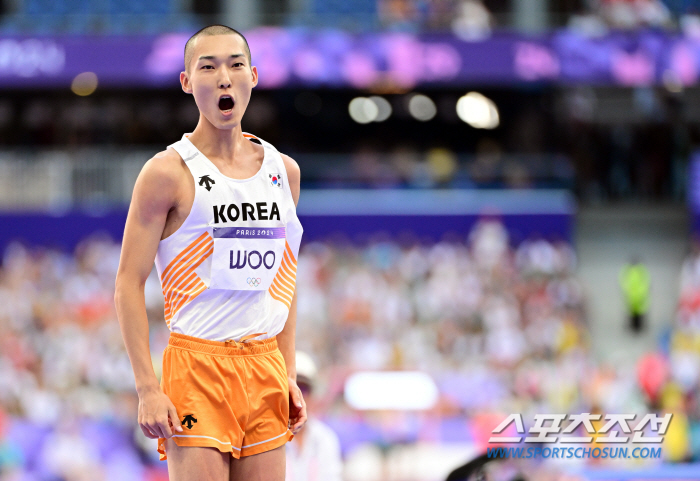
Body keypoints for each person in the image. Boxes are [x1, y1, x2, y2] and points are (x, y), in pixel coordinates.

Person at [114, 25, 306, 481]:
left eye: (236, 65)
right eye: (209, 66)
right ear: (186, 82)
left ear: (254, 76)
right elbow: (126, 283)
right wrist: (146, 387)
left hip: (264, 366)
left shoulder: (285, 172)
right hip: (196, 368)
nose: (224, 77)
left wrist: (289, 370)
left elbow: (284, 278)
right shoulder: (167, 173)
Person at [285, 351, 342, 481]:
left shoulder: (325, 439)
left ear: (313, 394)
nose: (297, 396)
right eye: (293, 389)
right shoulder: (269, 439)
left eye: (303, 389)